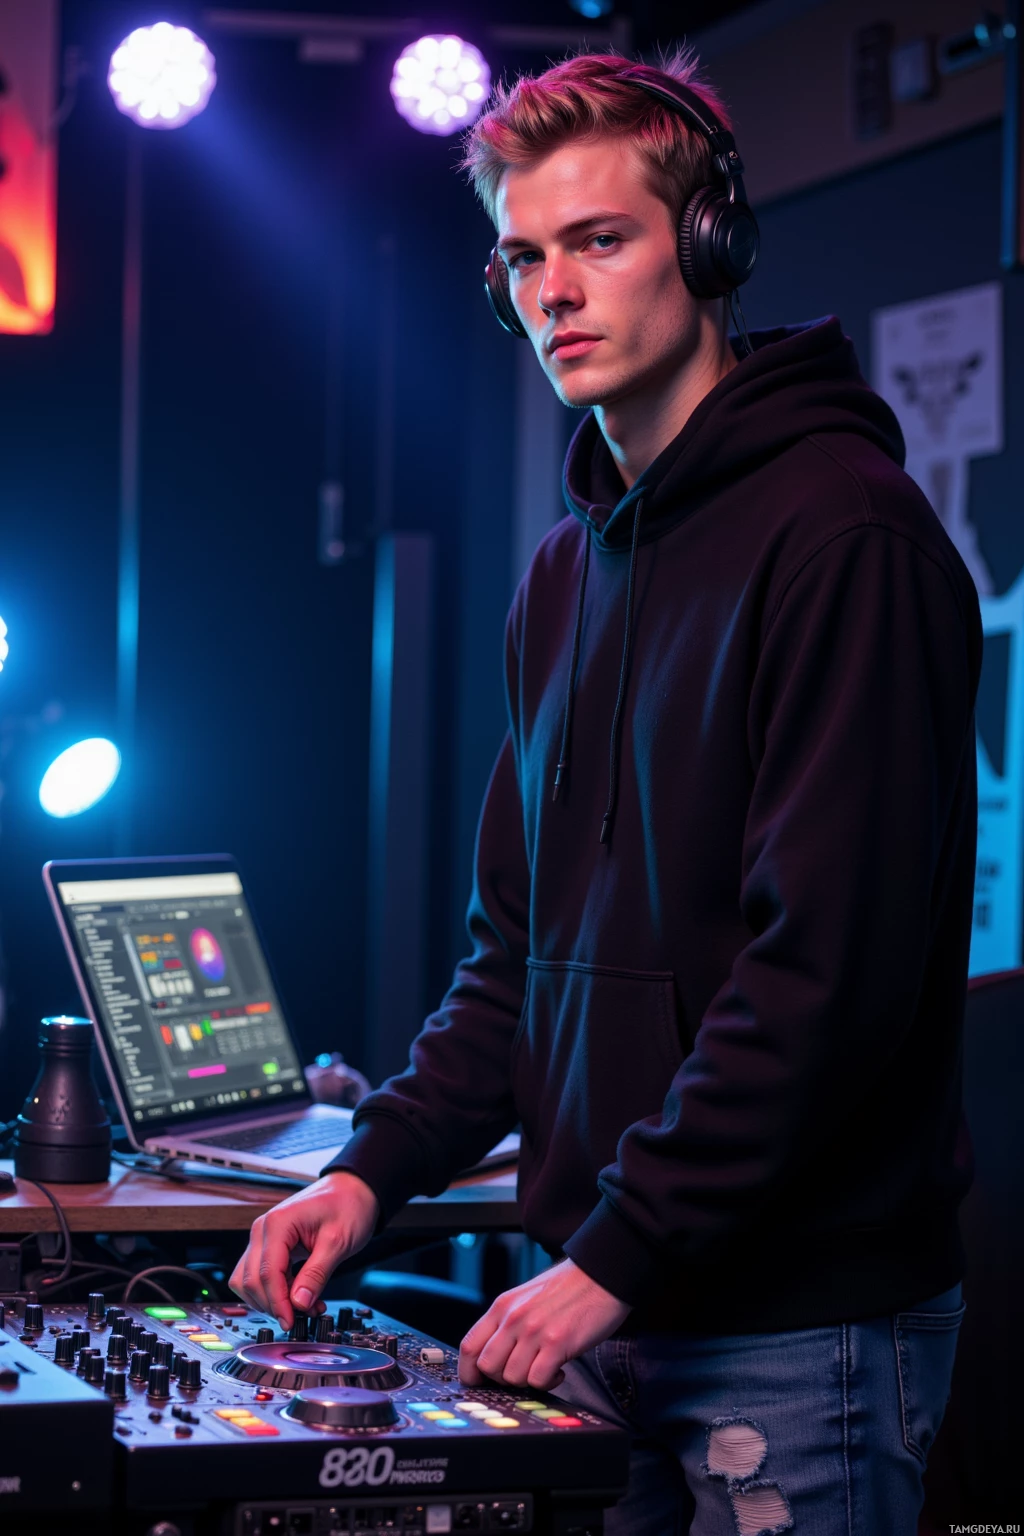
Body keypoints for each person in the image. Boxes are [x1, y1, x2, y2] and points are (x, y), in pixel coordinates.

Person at [231, 50, 981, 1534]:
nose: (553, 291)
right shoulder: (568, 575)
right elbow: (512, 965)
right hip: (594, 1304)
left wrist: (619, 1250)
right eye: (523, 256)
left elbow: (825, 981)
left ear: (710, 248)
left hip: (789, 1331)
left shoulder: (849, 539)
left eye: (601, 240)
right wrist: (371, 1174)